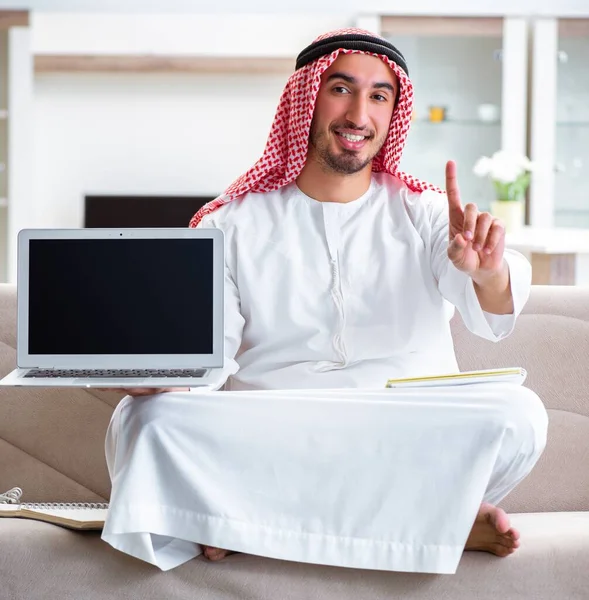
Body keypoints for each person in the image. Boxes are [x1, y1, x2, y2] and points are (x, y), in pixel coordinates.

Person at [101, 29, 547, 574]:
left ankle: (254, 524)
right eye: (342, 89)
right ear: (306, 99)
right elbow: (207, 357)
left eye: (380, 96)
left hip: (402, 423)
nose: (359, 113)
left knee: (519, 414)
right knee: (145, 419)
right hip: (277, 427)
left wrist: (490, 270)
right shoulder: (232, 223)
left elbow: (494, 311)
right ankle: (432, 521)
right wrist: (163, 374)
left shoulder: (426, 213)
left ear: (394, 111)